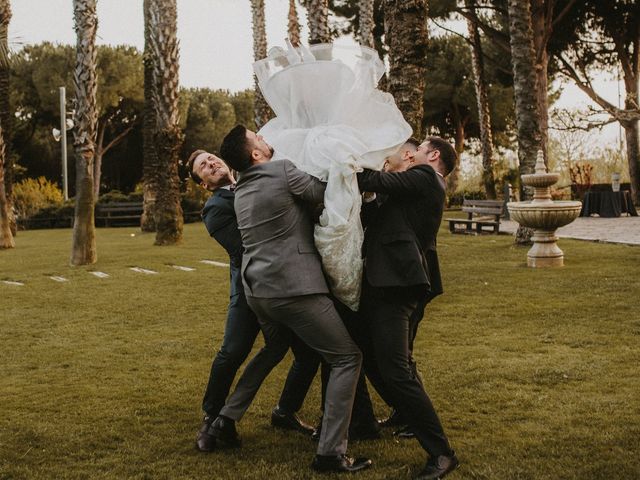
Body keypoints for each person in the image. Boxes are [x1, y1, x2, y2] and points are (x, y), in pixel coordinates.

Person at [208, 125, 371, 474]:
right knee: (346, 357)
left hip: (257, 291)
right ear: (255, 154)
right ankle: (330, 452)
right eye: (260, 138)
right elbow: (325, 193)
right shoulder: (281, 170)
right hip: (293, 287)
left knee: (273, 348)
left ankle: (225, 417)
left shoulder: (241, 191)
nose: (268, 140)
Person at [187, 150, 319, 452]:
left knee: (308, 352)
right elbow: (244, 247)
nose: (211, 164)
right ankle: (212, 416)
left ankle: (285, 410)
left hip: (286, 281)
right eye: (204, 168)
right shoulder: (215, 208)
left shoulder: (256, 179)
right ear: (205, 184)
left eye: (211, 158)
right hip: (249, 289)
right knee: (233, 351)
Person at [356, 137, 460, 480]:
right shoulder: (412, 186)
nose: (408, 152)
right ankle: (403, 413)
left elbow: (370, 180)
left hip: (396, 283)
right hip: (382, 280)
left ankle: (442, 452)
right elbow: (373, 209)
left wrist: (350, 157)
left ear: (432, 155)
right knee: (369, 357)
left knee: (396, 369)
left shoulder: (426, 176)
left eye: (416, 149)